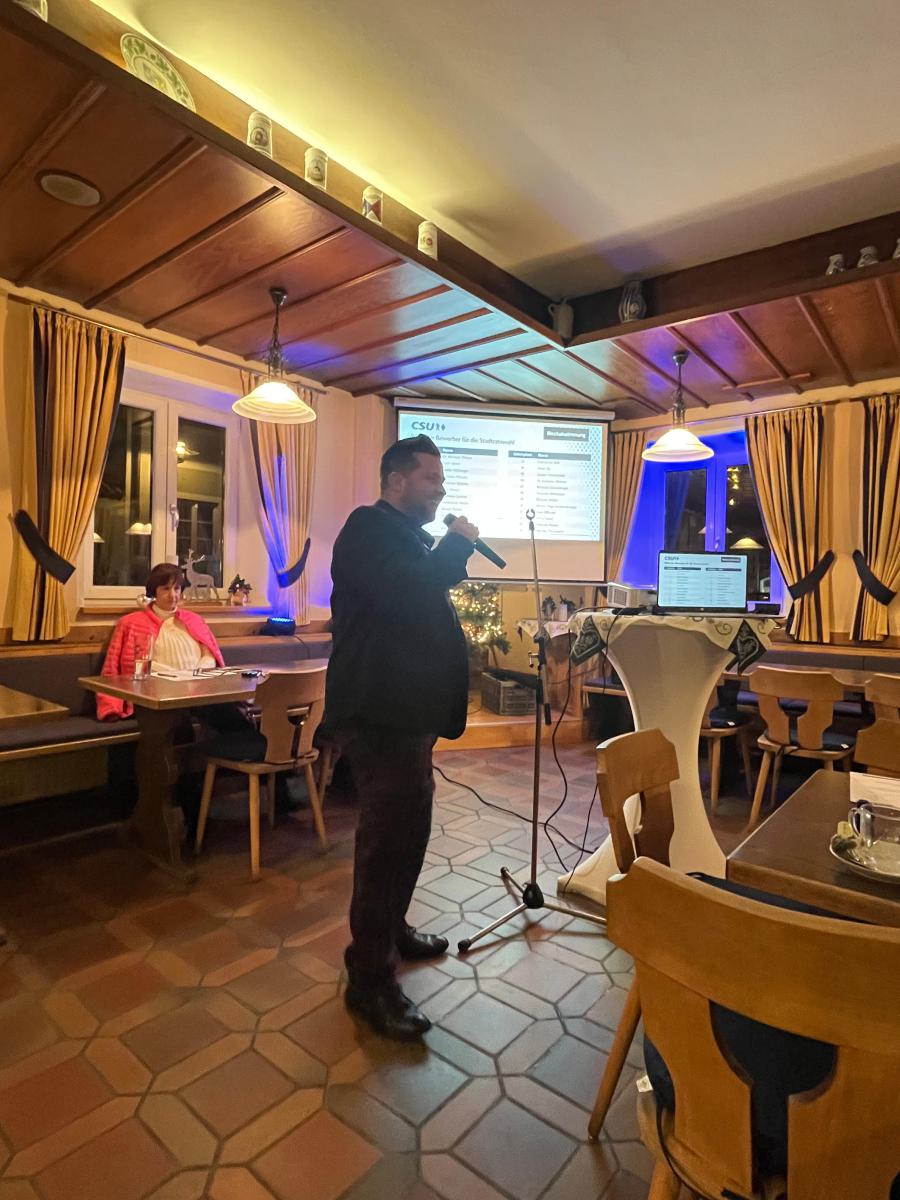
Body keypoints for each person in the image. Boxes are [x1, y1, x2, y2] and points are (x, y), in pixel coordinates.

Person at [326, 435, 478, 1040]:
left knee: (410, 829)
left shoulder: (406, 536)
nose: (440, 489)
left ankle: (391, 929)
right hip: (378, 714)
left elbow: (419, 594)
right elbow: (409, 591)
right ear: (396, 480)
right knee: (386, 843)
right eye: (430, 478)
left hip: (406, 715)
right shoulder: (366, 528)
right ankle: (369, 980)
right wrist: (457, 542)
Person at [97, 562, 265, 760]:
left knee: (231, 715)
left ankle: (263, 761)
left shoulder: (194, 620)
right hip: (156, 695)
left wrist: (197, 673)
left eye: (176, 588)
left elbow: (209, 654)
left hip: (198, 692)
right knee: (169, 724)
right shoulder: (131, 623)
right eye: (165, 589)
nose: (172, 595)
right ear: (154, 591)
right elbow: (121, 666)